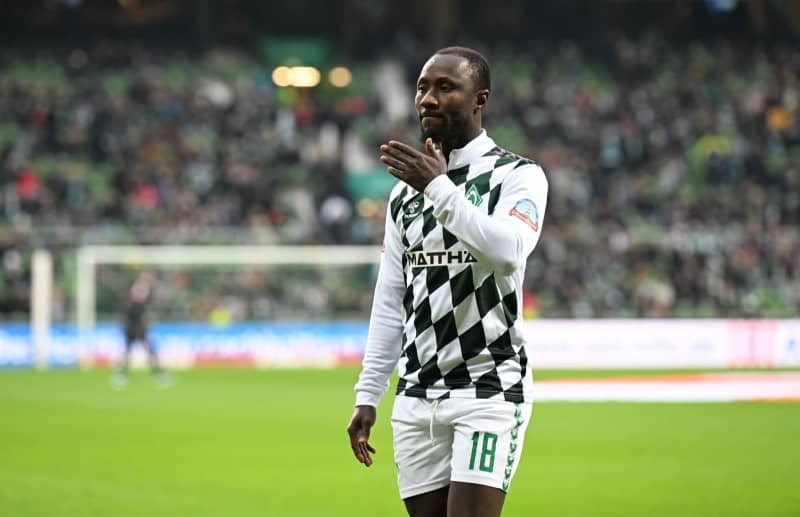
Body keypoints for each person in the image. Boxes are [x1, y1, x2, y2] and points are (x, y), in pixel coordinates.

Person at [347, 46, 549, 517]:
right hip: (417, 397)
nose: (428, 99)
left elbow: (507, 252)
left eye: (445, 87)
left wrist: (439, 188)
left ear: (480, 99)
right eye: (422, 87)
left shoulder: (517, 176)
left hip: (489, 389)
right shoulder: (403, 196)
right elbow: (390, 300)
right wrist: (368, 392)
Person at [113, 271, 169, 388]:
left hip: (136, 326)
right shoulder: (140, 288)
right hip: (135, 327)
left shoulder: (141, 289)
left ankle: (122, 374)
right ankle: (157, 374)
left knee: (139, 351)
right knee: (143, 351)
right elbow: (138, 304)